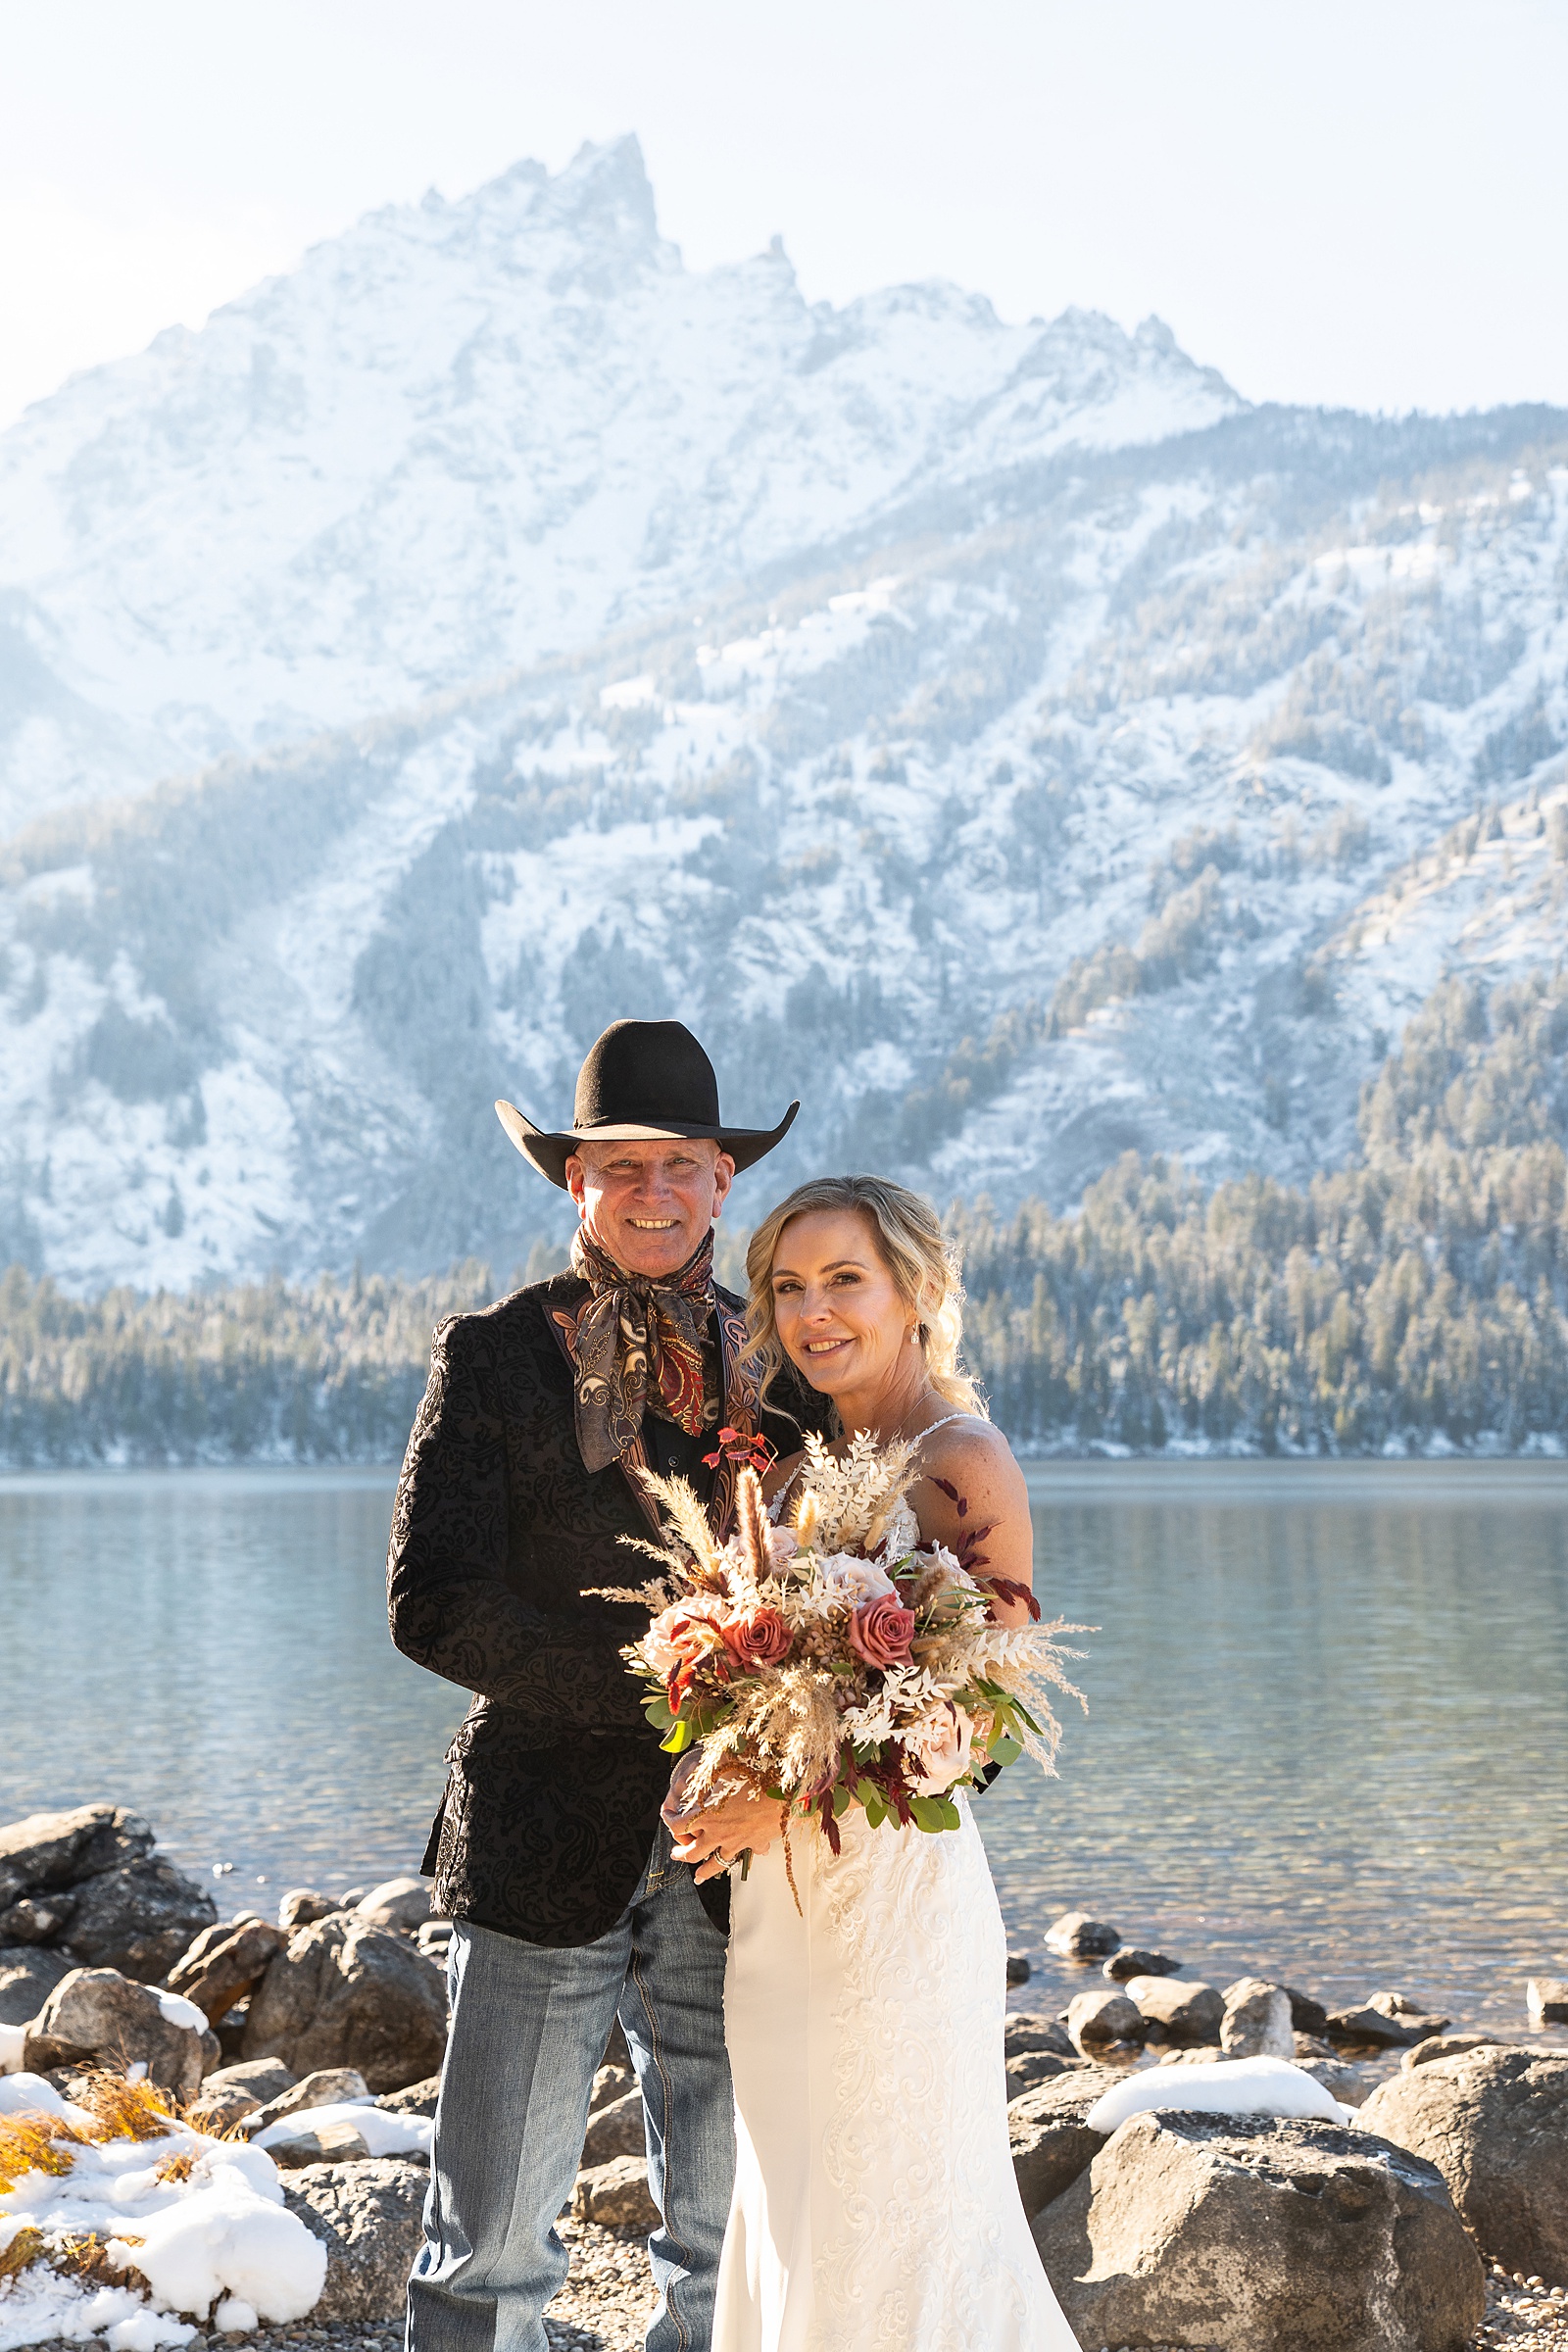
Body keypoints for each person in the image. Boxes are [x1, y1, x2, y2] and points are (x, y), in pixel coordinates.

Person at [387, 1019, 821, 2352]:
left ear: (721, 1183)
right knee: (491, 2246)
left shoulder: (788, 1368)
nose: (650, 1192)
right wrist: (658, 1689)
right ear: (574, 1182)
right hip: (536, 1844)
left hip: (734, 1856)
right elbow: (430, 1604)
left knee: (725, 2239)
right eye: (617, 1166)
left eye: (676, 1165)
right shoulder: (496, 1353)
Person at [663, 1172, 1079, 2351]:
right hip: (776, 1921)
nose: (814, 1311)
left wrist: (784, 1803)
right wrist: (713, 1756)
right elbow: (765, 1694)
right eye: (788, 1287)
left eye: (846, 1279)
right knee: (794, 2202)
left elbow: (976, 1721)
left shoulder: (963, 1461)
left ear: (919, 1293)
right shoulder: (790, 1480)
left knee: (896, 2213)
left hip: (893, 1912)